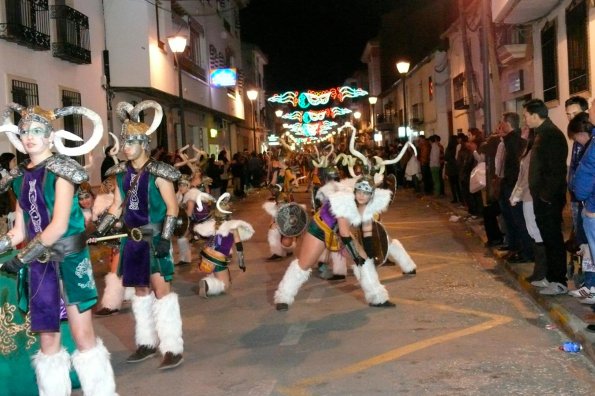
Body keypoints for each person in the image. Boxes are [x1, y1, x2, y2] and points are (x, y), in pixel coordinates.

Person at [0, 102, 117, 394]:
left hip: (69, 261)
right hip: (39, 267)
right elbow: (18, 231)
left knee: (81, 335)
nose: (30, 136)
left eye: (37, 131)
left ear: (51, 136)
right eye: (25, 130)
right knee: (48, 340)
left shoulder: (63, 171)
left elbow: (59, 225)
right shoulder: (22, 177)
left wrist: (23, 258)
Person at [92, 100, 184, 369]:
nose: (125, 148)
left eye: (130, 142)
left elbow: (172, 207)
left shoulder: (160, 172)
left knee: (161, 290)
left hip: (154, 239)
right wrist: (98, 230)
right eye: (123, 142)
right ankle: (146, 342)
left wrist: (166, 238)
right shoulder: (121, 173)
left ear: (143, 143)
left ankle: (172, 347)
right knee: (140, 291)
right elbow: (117, 205)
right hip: (132, 241)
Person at [273, 127, 407, 311]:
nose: (362, 196)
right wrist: (357, 258)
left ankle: (378, 297)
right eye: (360, 192)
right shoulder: (344, 200)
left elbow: (367, 230)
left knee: (365, 262)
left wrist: (369, 255)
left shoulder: (370, 203)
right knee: (304, 264)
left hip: (340, 232)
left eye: (366, 194)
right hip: (321, 228)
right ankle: (284, 296)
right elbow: (344, 231)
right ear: (355, 190)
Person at [524, 98, 569, 295]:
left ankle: (559, 281)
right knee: (547, 237)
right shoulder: (541, 134)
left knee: (553, 238)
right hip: (542, 198)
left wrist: (545, 196)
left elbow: (555, 171)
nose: (525, 119)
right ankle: (550, 277)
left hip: (548, 199)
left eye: (526, 116)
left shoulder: (551, 135)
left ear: (535, 115)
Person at [194, 192, 254, 298]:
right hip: (218, 258)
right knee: (225, 286)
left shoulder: (211, 223)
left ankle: (209, 281)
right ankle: (208, 285)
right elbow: (239, 246)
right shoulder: (232, 226)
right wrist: (241, 263)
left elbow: (200, 220)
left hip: (206, 254)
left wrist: (200, 204)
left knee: (215, 274)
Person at [0, 152, 17, 234]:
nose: (15, 163)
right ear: (8, 162)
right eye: (13, 160)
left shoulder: (9, 174)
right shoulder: (2, 175)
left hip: (10, 210)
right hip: (3, 212)